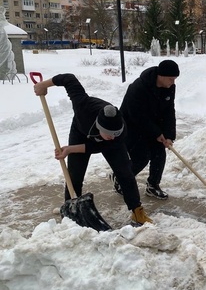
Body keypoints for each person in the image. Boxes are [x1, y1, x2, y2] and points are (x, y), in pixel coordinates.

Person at [33, 73, 153, 225]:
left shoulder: (119, 134)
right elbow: (68, 78)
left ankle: (137, 211)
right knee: (74, 175)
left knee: (125, 173)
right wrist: (44, 85)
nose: (113, 136)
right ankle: (71, 213)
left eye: (116, 133)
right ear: (99, 126)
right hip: (80, 133)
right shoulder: (82, 104)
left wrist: (70, 149)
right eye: (109, 134)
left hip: (99, 144)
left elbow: (97, 146)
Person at [112, 60, 179, 200]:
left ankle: (153, 185)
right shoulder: (139, 87)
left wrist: (168, 135)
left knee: (159, 154)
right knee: (141, 157)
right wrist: (156, 133)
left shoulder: (169, 87)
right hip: (131, 125)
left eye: (174, 79)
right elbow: (137, 115)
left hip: (152, 123)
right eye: (171, 79)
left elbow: (169, 111)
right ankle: (120, 178)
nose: (173, 82)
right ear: (161, 75)